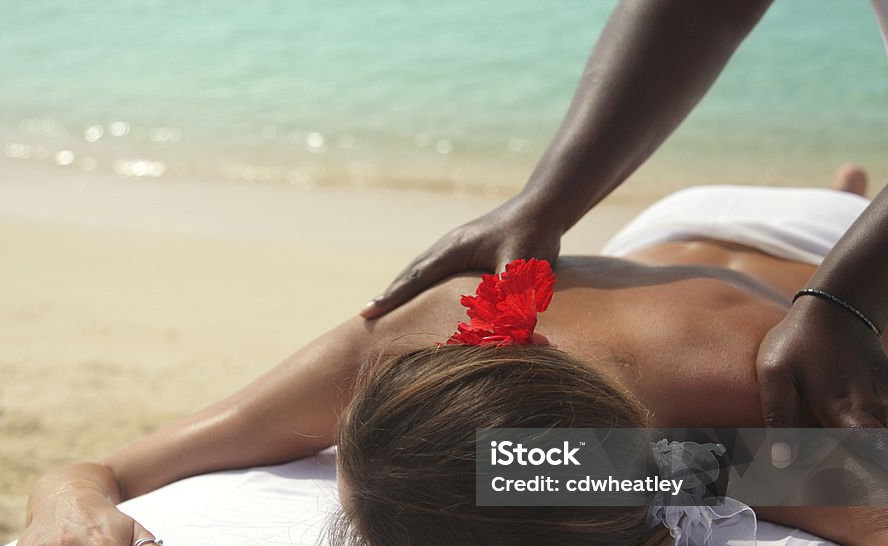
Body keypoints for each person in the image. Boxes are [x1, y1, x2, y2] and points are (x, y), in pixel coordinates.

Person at [0, 168, 888, 546]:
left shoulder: (760, 415)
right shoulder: (411, 355)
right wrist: (65, 500)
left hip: (818, 262)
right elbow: (98, 468)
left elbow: (109, 465)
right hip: (681, 230)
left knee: (842, 202)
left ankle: (839, 189)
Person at [362, 0, 888, 440]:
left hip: (697, 222)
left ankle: (844, 193)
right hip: (788, 242)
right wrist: (541, 204)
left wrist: (841, 306)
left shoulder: (767, 390)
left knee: (842, 202)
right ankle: (846, 193)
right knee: (845, 204)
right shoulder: (438, 325)